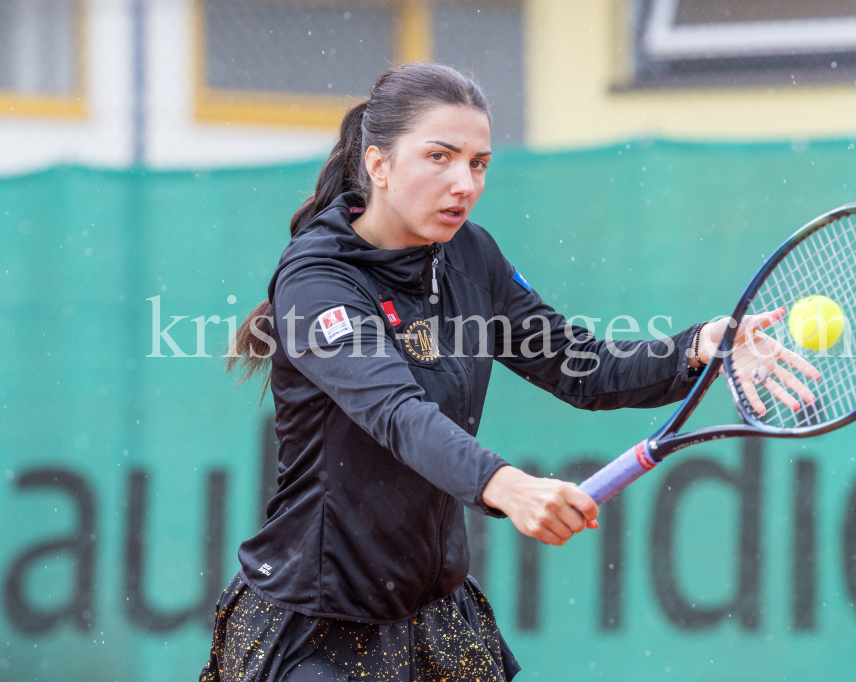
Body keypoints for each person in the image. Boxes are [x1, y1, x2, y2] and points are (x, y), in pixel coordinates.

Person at [200, 62, 818, 682]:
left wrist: (695, 347)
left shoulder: (471, 256)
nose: (463, 183)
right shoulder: (317, 281)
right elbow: (396, 413)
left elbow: (584, 368)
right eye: (439, 157)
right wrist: (509, 486)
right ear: (379, 165)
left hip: (436, 618)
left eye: (478, 164)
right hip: (316, 632)